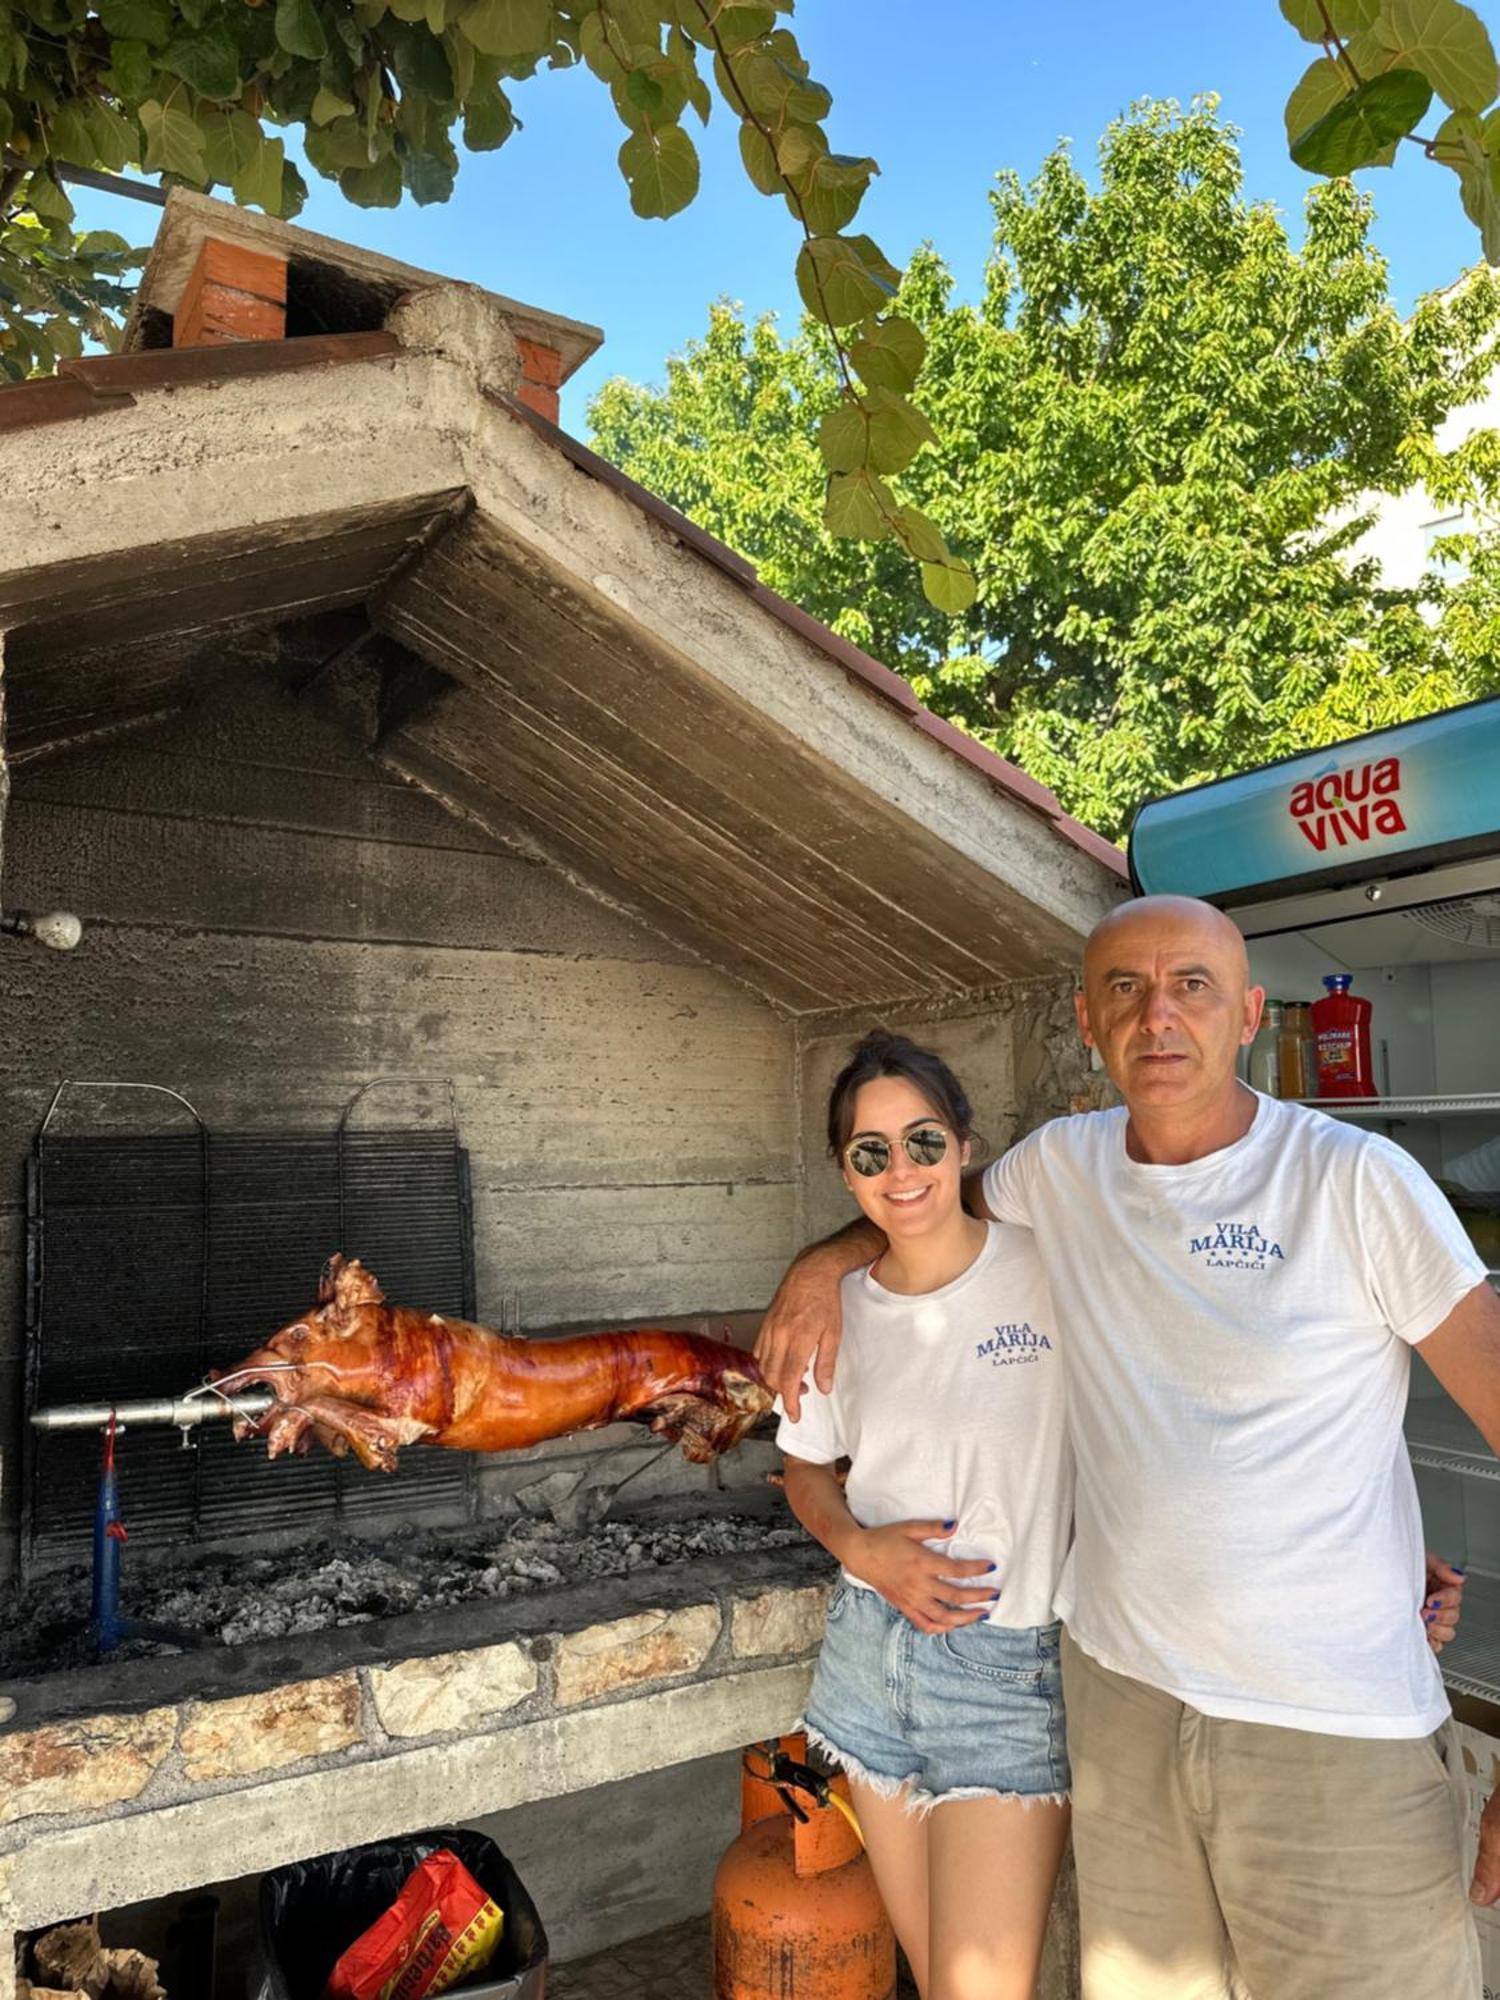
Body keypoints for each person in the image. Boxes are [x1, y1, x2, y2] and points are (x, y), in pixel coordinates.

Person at [759, 894, 1500, 2000]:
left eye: (1192, 984)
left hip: (1333, 1731)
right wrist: (817, 1268)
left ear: (1248, 1011)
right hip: (1122, 1709)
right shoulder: (1063, 1170)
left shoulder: (1354, 1179)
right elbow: (925, 1207)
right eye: (1126, 989)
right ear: (1088, 1020)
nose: (1160, 1015)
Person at [779, 1029, 1072, 2000]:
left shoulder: (1047, 1265)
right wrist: (862, 1545)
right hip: (870, 1654)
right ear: (846, 1170)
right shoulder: (837, 1307)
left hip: (1007, 1670)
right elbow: (804, 1466)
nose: (900, 1169)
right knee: (928, 1971)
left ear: (964, 1143)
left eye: (923, 1141)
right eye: (872, 1152)